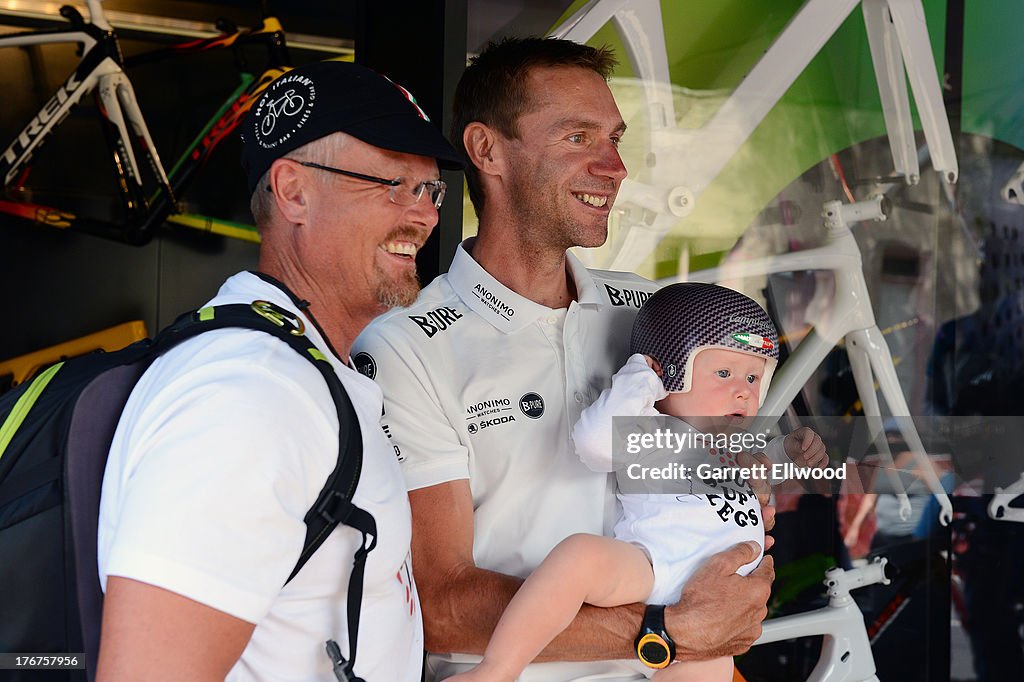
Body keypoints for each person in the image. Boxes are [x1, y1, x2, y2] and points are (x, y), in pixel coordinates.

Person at [353, 37, 776, 680]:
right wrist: (667, 630)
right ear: (486, 150)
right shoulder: (405, 348)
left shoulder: (655, 313)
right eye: (578, 138)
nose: (613, 166)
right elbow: (439, 603)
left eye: (614, 139)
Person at [93, 61, 463, 681]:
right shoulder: (248, 396)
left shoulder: (301, 372)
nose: (424, 215)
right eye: (395, 183)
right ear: (293, 191)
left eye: (431, 190)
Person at [448, 283, 828, 682]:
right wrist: (641, 381)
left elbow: (763, 470)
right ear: (669, 371)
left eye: (753, 378)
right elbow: (594, 444)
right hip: (654, 568)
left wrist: (790, 453)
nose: (743, 391)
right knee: (579, 558)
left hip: (722, 601)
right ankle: (497, 669)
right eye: (723, 372)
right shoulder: (653, 430)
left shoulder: (732, 444)